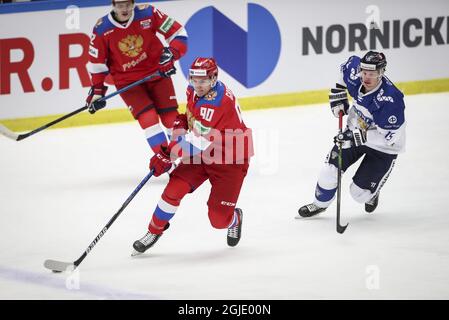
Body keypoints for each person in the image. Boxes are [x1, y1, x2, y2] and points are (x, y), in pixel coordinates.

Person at [132, 57, 254, 255]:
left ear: (214, 78)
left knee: (218, 220)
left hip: (230, 158)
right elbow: (190, 120)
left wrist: (168, 156)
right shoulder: (194, 91)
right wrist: (180, 123)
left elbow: (196, 142)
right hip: (203, 153)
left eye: (203, 80)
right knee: (173, 190)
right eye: (194, 80)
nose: (198, 85)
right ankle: (154, 231)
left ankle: (234, 218)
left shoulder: (216, 103)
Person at [298, 51, 406, 217]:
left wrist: (357, 136)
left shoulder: (391, 100)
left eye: (372, 74)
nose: (366, 78)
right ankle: (319, 205)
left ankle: (373, 191)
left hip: (383, 147)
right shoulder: (354, 71)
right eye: (364, 72)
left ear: (381, 72)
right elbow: (343, 74)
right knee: (329, 171)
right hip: (355, 132)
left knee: (359, 194)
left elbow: (390, 138)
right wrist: (338, 96)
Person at [86, 0, 188, 154]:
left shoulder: (148, 13)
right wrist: (97, 91)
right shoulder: (102, 29)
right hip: (128, 82)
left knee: (171, 118)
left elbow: (179, 34)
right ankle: (165, 161)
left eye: (127, 4)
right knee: (148, 119)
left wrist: (172, 53)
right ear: (113, 5)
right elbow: (96, 64)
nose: (124, 9)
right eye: (120, 5)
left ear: (133, 2)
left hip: (157, 73)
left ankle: (182, 158)